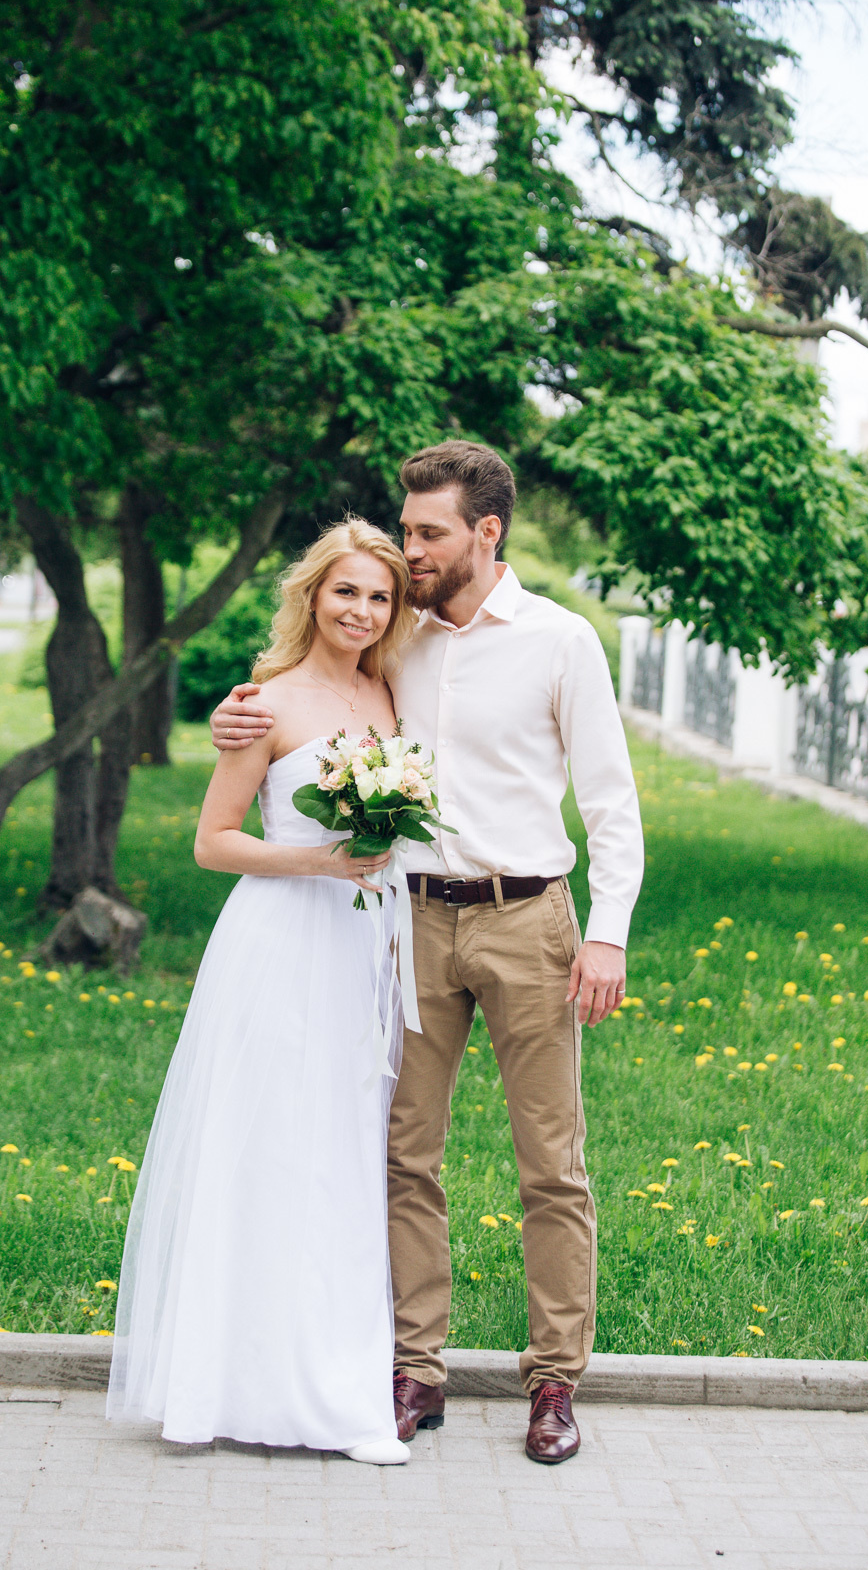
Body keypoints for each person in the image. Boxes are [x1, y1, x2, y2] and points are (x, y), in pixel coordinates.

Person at [211, 440, 644, 1465]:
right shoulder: (396, 641)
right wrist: (239, 710)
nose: (409, 550)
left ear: (485, 533)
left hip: (528, 917)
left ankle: (551, 1383)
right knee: (405, 1151)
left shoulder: (559, 641)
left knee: (551, 1164)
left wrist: (606, 930)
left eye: (427, 532)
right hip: (406, 921)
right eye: (405, 530)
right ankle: (416, 1366)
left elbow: (609, 802)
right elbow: (309, 697)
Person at [107, 519, 417, 1465]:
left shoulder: (386, 690)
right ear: (311, 596)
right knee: (270, 1150)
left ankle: (333, 1383)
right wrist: (319, 862)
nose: (361, 611)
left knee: (343, 1154)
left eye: (378, 596)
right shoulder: (265, 702)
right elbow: (213, 841)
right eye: (345, 592)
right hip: (282, 939)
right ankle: (236, 1385)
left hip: (360, 947)